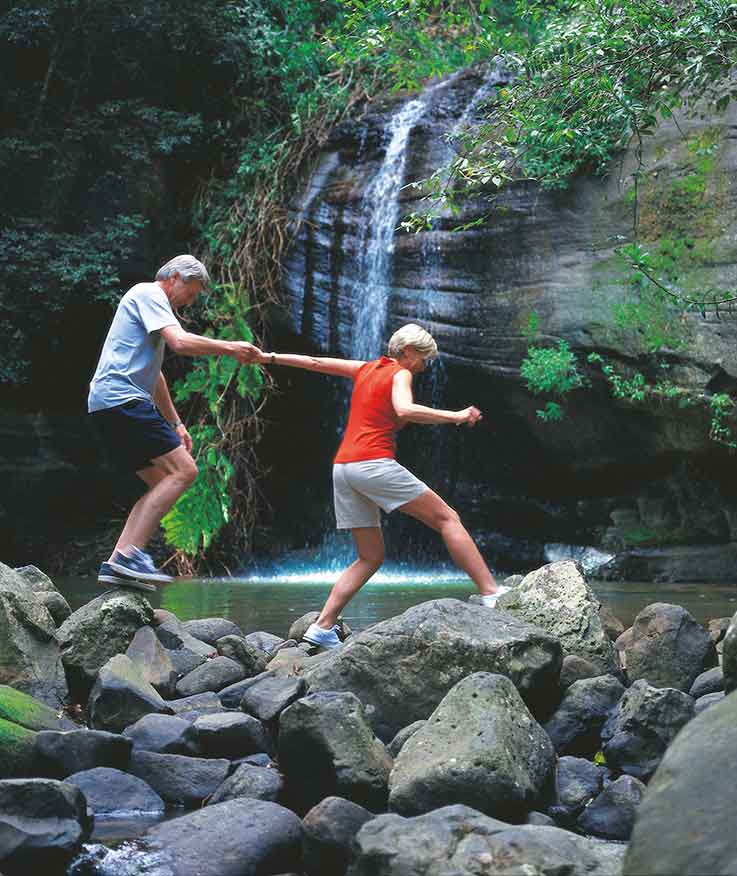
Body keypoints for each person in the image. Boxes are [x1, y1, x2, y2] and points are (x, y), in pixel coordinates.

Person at [255, 323, 509, 647]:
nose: (424, 366)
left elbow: (315, 363)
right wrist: (455, 416)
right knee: (448, 519)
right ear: (407, 352)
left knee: (370, 556)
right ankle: (490, 592)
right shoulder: (400, 374)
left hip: (343, 469)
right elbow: (404, 409)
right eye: (423, 359)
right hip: (372, 464)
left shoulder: (364, 368)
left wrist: (269, 356)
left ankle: (322, 626)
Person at [88, 254, 259, 591]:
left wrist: (177, 424)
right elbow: (180, 343)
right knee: (186, 471)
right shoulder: (150, 293)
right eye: (191, 292)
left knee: (161, 480)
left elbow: (157, 377)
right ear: (176, 276)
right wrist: (230, 348)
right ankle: (129, 555)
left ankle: (116, 563)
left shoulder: (147, 305)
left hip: (108, 404)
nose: (190, 302)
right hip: (124, 400)